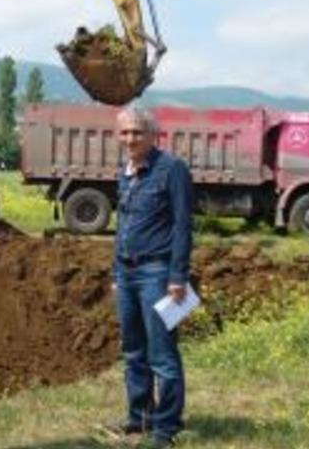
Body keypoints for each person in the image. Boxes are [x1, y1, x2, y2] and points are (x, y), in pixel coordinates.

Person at [109, 106, 194, 448]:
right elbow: (123, 227)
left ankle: (166, 426)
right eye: (125, 133)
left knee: (161, 353)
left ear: (152, 134)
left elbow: (183, 225)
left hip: (157, 273)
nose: (130, 139)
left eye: (137, 132)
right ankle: (139, 417)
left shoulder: (171, 169)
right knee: (133, 351)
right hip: (127, 273)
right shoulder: (125, 173)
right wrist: (116, 272)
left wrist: (178, 275)